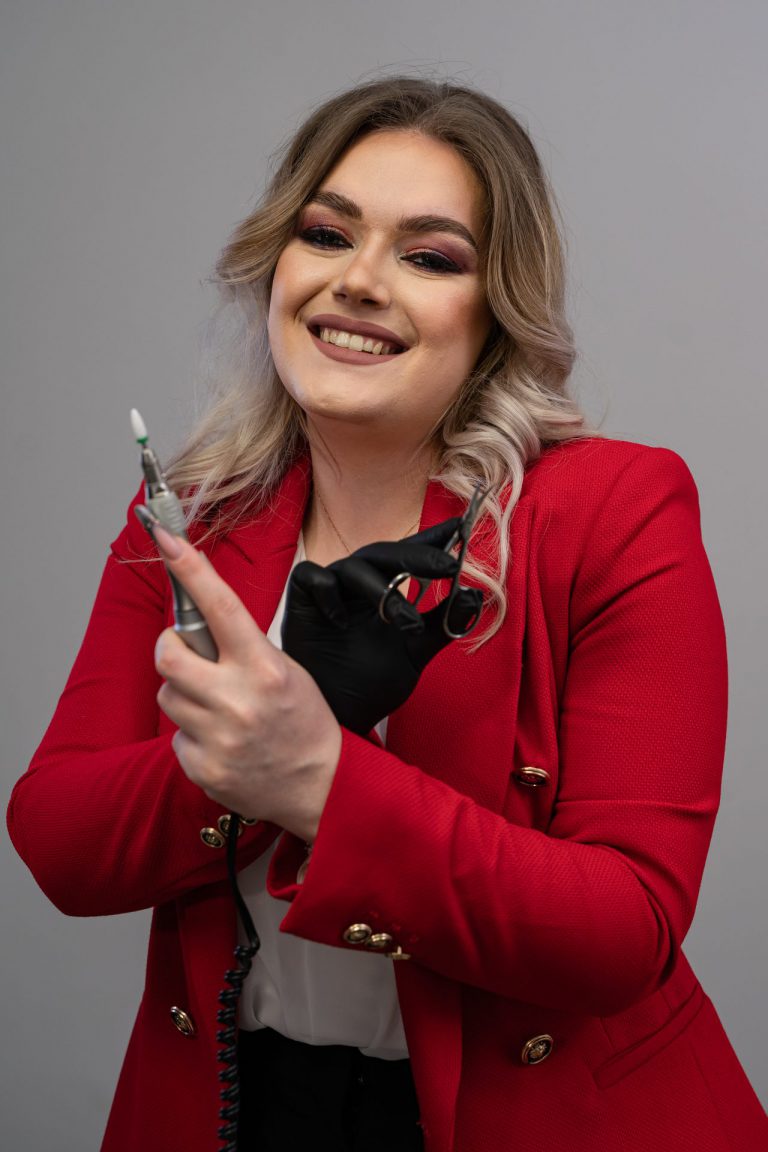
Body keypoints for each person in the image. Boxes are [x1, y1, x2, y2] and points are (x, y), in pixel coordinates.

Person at [7, 77, 767, 1152]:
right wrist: (271, 726)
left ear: (496, 309)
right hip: (245, 1107)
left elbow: (625, 930)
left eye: (430, 257)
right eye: (326, 235)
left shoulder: (616, 509)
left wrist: (320, 777)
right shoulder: (191, 518)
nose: (359, 281)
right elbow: (60, 841)